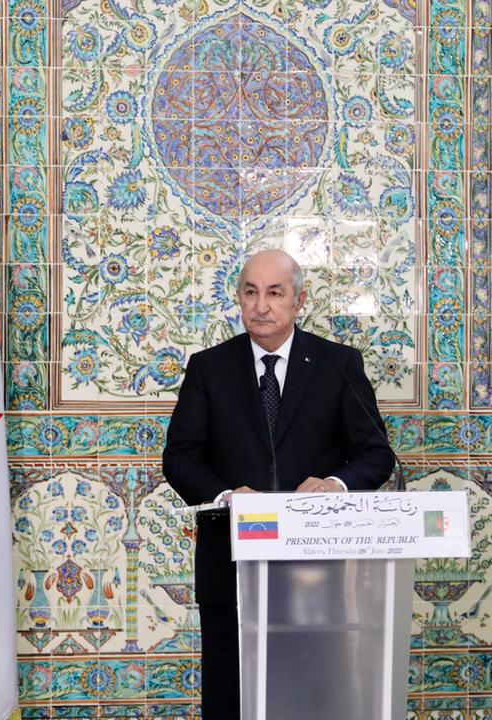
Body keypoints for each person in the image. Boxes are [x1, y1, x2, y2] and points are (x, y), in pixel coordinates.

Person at [162, 249, 394, 719]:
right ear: (238, 298)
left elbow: (376, 454)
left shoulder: (337, 365)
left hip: (319, 571)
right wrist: (226, 496)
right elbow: (180, 457)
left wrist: (335, 483)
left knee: (315, 693)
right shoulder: (208, 367)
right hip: (231, 569)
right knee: (232, 695)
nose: (260, 306)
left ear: (299, 300)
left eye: (274, 293)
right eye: (250, 292)